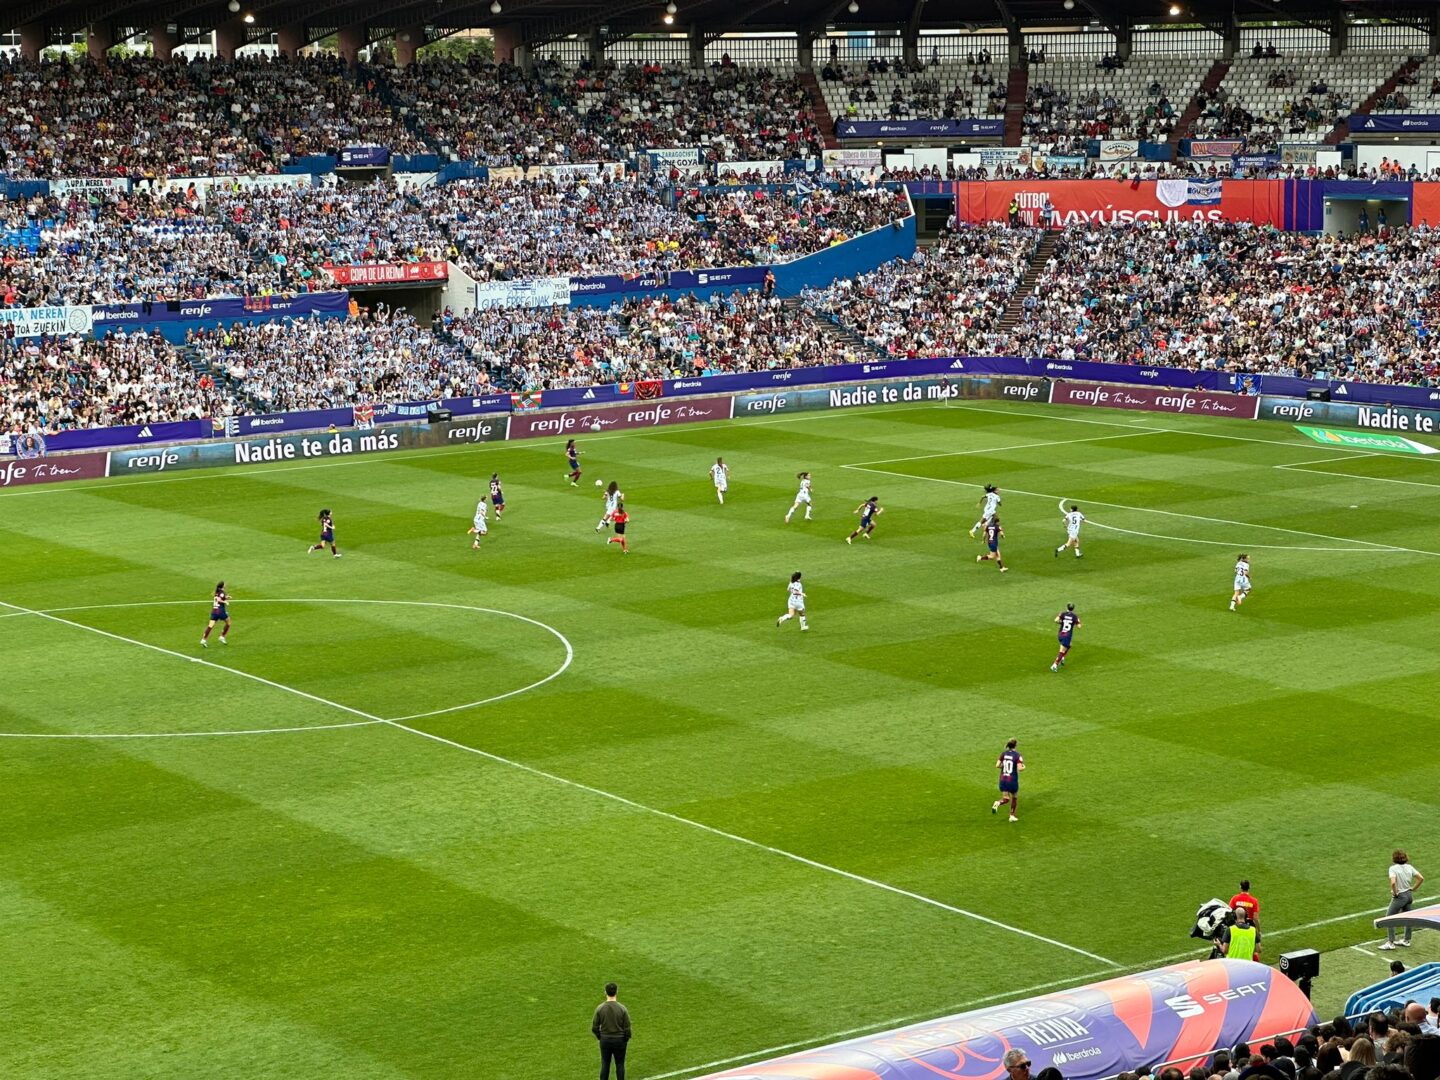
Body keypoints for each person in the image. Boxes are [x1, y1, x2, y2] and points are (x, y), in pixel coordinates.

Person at [1380, 849, 1424, 950]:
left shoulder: (1393, 868)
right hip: (1409, 895)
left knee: (1389, 918)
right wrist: (1414, 888)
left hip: (1400, 896)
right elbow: (1421, 878)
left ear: (1394, 859)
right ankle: (1406, 940)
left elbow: (1393, 883)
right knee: (1408, 917)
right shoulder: (1409, 867)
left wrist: (1395, 893)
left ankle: (1391, 942)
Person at [592, 982, 631, 1080]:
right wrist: (625, 1039)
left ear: (605, 992)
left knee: (605, 1064)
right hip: (619, 1041)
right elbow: (627, 1028)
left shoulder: (600, 1008)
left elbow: (594, 1027)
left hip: (605, 1040)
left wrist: (600, 1037)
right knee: (620, 1064)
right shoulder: (622, 1009)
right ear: (617, 992)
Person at [992, 738, 1024, 821]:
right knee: (1014, 797)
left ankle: (998, 803)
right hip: (1012, 780)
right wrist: (1024, 767)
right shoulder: (1017, 755)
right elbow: (1020, 769)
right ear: (1015, 745)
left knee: (1006, 799)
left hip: (1003, 780)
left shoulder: (1003, 754)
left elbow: (997, 765)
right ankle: (1012, 816)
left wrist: (1005, 767)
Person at [201, 581, 230, 647]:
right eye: (224, 584)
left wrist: (226, 597)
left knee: (210, 626)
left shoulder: (217, 592)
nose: (226, 584)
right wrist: (225, 602)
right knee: (228, 623)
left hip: (214, 611)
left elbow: (218, 598)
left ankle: (203, 640)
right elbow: (219, 600)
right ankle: (222, 636)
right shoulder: (222, 592)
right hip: (220, 611)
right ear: (222, 586)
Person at [1051, 604, 1080, 671]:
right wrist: (1077, 621)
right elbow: (1079, 626)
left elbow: (1056, 620)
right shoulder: (1074, 616)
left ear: (1067, 607)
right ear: (1073, 608)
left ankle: (1062, 657)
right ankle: (1055, 665)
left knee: (1069, 645)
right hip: (1067, 636)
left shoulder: (1063, 614)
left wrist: (1062, 623)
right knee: (1062, 651)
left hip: (1060, 634)